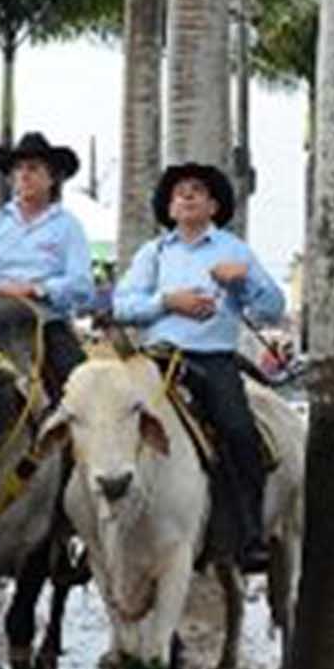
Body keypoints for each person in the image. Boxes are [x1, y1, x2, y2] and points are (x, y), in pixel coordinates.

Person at [110, 161, 286, 573]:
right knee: (103, 420)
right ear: (169, 208)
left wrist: (241, 284)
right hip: (155, 361)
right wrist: (167, 302)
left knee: (240, 432)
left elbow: (273, 308)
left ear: (214, 205)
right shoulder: (152, 254)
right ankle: (95, 530)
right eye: (179, 192)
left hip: (213, 361)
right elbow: (121, 305)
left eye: (197, 191)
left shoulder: (234, 251)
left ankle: (250, 536)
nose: (187, 196)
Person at [0, 131, 93, 393]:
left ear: (52, 177)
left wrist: (36, 289)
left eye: (33, 168)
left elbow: (81, 285)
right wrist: (2, 290)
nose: (24, 175)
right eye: (18, 169)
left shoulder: (68, 226)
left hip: (43, 319)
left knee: (77, 385)